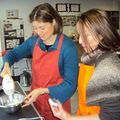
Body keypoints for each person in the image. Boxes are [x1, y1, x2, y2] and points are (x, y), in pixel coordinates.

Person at [0, 3, 78, 120]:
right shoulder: (34, 41)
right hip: (36, 101)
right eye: (35, 28)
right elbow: (13, 54)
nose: (38, 32)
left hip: (57, 105)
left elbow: (71, 85)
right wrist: (6, 65)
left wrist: (42, 91)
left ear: (54, 22)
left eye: (42, 28)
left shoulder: (67, 47)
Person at [49, 8, 120, 120]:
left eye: (85, 35)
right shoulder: (91, 59)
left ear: (101, 35)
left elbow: (109, 117)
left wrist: (68, 118)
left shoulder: (108, 70)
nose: (80, 41)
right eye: (79, 35)